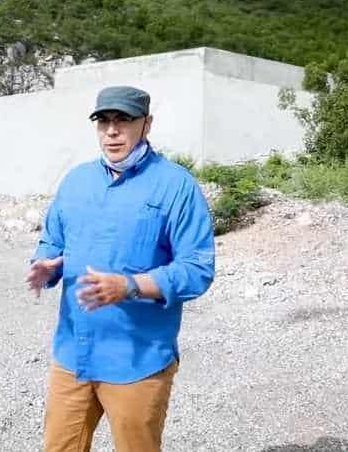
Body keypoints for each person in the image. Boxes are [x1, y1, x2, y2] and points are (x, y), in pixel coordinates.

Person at [25, 85, 216, 452]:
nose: (112, 131)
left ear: (146, 124)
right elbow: (53, 240)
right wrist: (45, 266)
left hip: (137, 360)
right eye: (104, 121)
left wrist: (129, 286)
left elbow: (197, 269)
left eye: (124, 120)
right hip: (72, 354)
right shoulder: (76, 181)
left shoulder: (176, 186)